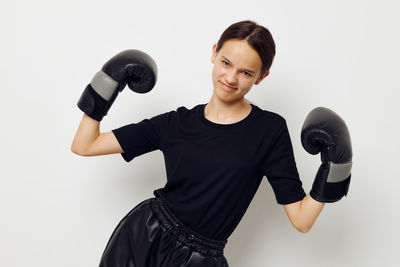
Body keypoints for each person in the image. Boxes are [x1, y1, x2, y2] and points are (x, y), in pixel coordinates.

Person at [71, 20, 352, 267]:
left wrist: (338, 167)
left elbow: (302, 220)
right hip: (144, 233)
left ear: (261, 76)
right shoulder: (176, 123)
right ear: (214, 52)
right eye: (226, 63)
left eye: (245, 73)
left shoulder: (269, 130)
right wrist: (104, 86)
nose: (230, 78)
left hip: (201, 258)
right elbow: (85, 145)